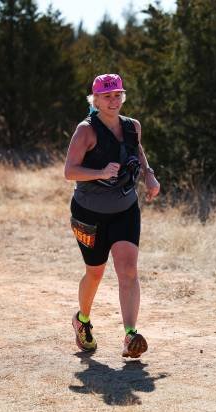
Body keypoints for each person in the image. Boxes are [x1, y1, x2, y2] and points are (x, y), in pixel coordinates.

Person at [64, 73, 160, 358]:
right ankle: (82, 320)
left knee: (128, 269)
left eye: (118, 95)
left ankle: (130, 335)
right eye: (107, 96)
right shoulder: (86, 131)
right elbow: (69, 171)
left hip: (125, 209)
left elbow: (137, 151)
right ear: (95, 100)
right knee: (95, 273)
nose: (114, 101)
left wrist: (149, 175)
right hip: (89, 213)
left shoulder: (132, 126)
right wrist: (100, 172)